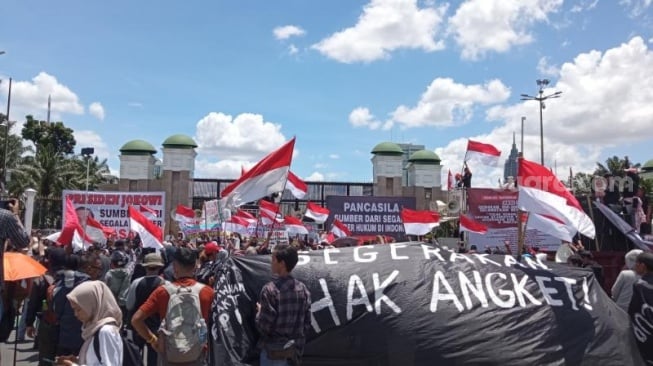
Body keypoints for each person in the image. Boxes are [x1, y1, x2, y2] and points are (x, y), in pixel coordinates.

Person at [131, 247, 214, 366]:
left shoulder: (162, 292)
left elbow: (136, 320)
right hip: (198, 353)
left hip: (170, 355)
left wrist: (153, 340)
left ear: (175, 266)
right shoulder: (207, 292)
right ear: (195, 266)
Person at [256, 245, 312, 366]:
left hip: (273, 354)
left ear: (282, 263)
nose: (271, 263)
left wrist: (260, 312)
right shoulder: (303, 289)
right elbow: (307, 323)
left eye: (273, 259)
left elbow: (264, 326)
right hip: (294, 353)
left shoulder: (270, 290)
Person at [55, 281, 123, 366]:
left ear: (92, 305)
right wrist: (76, 360)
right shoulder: (95, 328)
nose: (75, 314)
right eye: (74, 310)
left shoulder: (106, 331)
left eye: (78, 309)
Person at [125, 252, 166, 366]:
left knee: (135, 356)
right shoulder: (164, 284)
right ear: (159, 267)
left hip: (137, 327)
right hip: (156, 328)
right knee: (154, 358)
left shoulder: (136, 283)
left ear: (145, 266)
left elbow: (129, 305)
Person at [628, 252, 653, 364]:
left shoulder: (640, 286)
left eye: (636, 263)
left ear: (642, 265)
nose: (634, 266)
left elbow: (634, 311)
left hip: (648, 336)